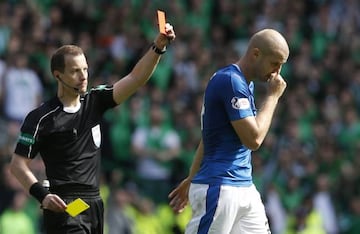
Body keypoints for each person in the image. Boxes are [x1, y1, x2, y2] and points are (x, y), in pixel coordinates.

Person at [8, 21, 175, 234]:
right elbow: (17, 165)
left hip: (93, 203)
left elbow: (135, 78)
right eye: (75, 71)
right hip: (65, 204)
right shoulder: (41, 118)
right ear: (58, 75)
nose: (83, 76)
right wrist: (43, 195)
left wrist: (158, 47)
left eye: (85, 69)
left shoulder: (95, 101)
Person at [168, 28, 289, 234]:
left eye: (281, 65)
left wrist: (191, 178)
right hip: (221, 188)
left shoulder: (243, 85)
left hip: (243, 187)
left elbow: (209, 138)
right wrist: (273, 97)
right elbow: (254, 139)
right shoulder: (230, 81)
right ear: (256, 54)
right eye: (274, 63)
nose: (277, 72)